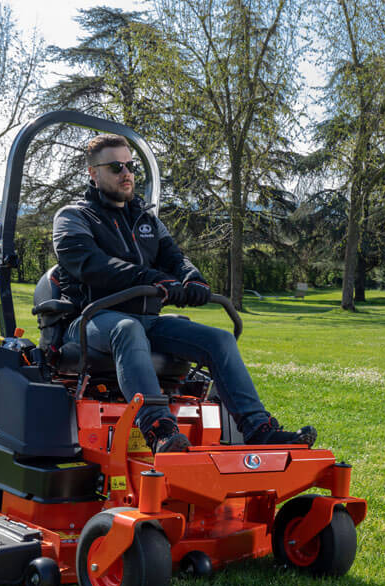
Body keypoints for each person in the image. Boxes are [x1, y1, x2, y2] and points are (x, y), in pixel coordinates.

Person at [52, 133, 316, 453]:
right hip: (91, 320)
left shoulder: (145, 219)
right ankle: (159, 429)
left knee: (219, 339)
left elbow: (175, 259)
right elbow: (90, 264)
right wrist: (150, 278)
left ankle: (258, 428)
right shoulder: (73, 217)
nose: (126, 173)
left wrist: (193, 279)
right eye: (115, 166)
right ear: (93, 173)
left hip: (147, 319)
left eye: (131, 165)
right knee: (127, 328)